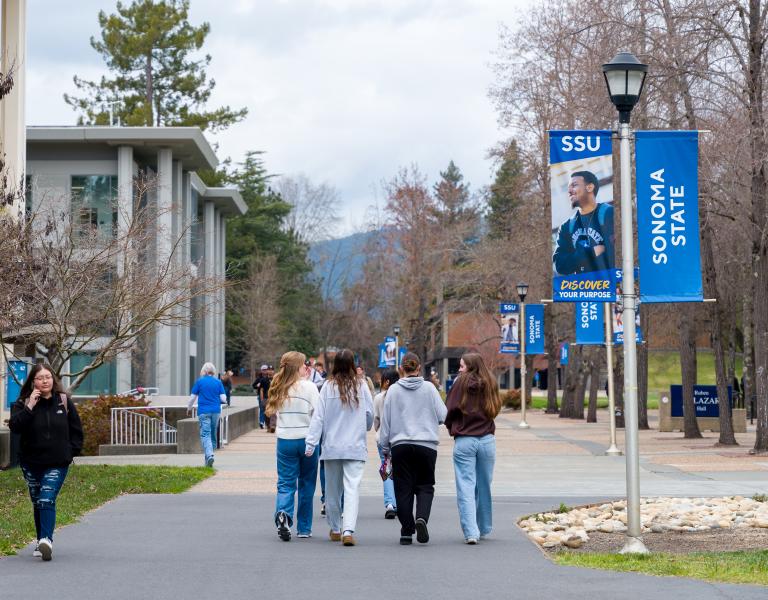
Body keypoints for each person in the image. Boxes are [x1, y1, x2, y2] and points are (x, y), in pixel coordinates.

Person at [9, 363, 83, 561]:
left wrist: (70, 453)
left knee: (46, 499)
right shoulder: (23, 403)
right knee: (37, 501)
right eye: (40, 378)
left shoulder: (63, 401)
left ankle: (46, 540)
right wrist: (30, 407)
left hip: (57, 462)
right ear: (33, 381)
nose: (45, 381)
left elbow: (76, 430)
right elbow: (15, 427)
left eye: (48, 377)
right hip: (31, 462)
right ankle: (40, 540)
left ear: (53, 379)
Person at [305, 349, 373, 547]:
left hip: (332, 446)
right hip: (355, 446)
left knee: (332, 490)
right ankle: (348, 530)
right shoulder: (361, 386)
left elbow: (318, 417)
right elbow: (369, 415)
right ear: (352, 364)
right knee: (352, 489)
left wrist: (311, 442)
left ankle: (335, 528)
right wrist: (365, 426)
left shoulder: (328, 387)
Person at [380, 352, 447, 545]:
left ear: (401, 368)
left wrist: (385, 447)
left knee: (403, 488)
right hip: (426, 445)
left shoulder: (393, 391)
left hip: (400, 445)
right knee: (425, 485)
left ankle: (406, 530)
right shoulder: (429, 388)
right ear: (419, 368)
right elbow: (443, 415)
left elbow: (386, 422)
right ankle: (421, 518)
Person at [444, 353, 502, 544]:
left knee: (466, 486)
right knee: (484, 485)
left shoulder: (460, 383)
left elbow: (448, 410)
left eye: (462, 366)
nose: (459, 369)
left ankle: (471, 532)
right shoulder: (491, 382)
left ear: (470, 366)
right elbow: (496, 407)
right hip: (487, 440)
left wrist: (452, 426)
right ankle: (483, 526)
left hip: (465, 440)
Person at [266, 351, 320, 541]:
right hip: (306, 439)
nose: (307, 367)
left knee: (285, 483)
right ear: (297, 367)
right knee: (307, 483)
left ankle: (283, 514)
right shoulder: (310, 387)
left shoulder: (279, 386)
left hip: (285, 440)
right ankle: (304, 528)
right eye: (304, 364)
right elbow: (318, 415)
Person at [552, 170, 615, 276]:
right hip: (584, 285)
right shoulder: (566, 227)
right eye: (568, 188)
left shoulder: (610, 213)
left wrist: (577, 258)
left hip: (612, 282)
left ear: (589, 187)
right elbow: (561, 265)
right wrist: (592, 252)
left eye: (574, 185)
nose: (569, 191)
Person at [187, 362, 226, 467]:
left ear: (204, 370)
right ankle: (209, 458)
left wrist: (189, 408)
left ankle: (209, 455)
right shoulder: (218, 382)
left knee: (205, 434)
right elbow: (223, 398)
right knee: (212, 433)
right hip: (216, 411)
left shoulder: (200, 381)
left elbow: (192, 398)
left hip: (204, 411)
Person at [373, 369, 400, 519]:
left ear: (387, 381)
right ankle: (400, 502)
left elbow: (376, 420)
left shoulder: (379, 398)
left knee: (387, 469)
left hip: (383, 439)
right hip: (400, 439)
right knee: (401, 471)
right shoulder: (402, 396)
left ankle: (390, 503)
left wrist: (378, 429)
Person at [252, 365, 270, 429]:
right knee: (262, 409)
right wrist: (257, 386)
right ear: (261, 370)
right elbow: (253, 386)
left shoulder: (269, 377)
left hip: (269, 396)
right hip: (261, 395)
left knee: (268, 409)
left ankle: (268, 423)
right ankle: (261, 422)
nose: (265, 371)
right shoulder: (259, 378)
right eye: (263, 370)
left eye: (266, 370)